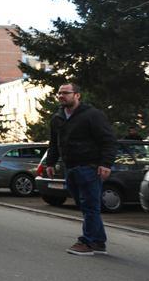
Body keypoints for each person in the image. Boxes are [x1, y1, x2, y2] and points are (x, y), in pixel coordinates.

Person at [44, 82, 116, 256]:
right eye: (59, 93)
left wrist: (105, 163)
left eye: (66, 93)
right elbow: (55, 143)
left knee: (90, 206)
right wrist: (50, 163)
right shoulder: (57, 118)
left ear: (77, 95)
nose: (61, 96)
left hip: (90, 167)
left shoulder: (92, 115)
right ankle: (98, 242)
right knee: (85, 206)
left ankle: (87, 242)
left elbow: (108, 140)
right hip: (71, 168)